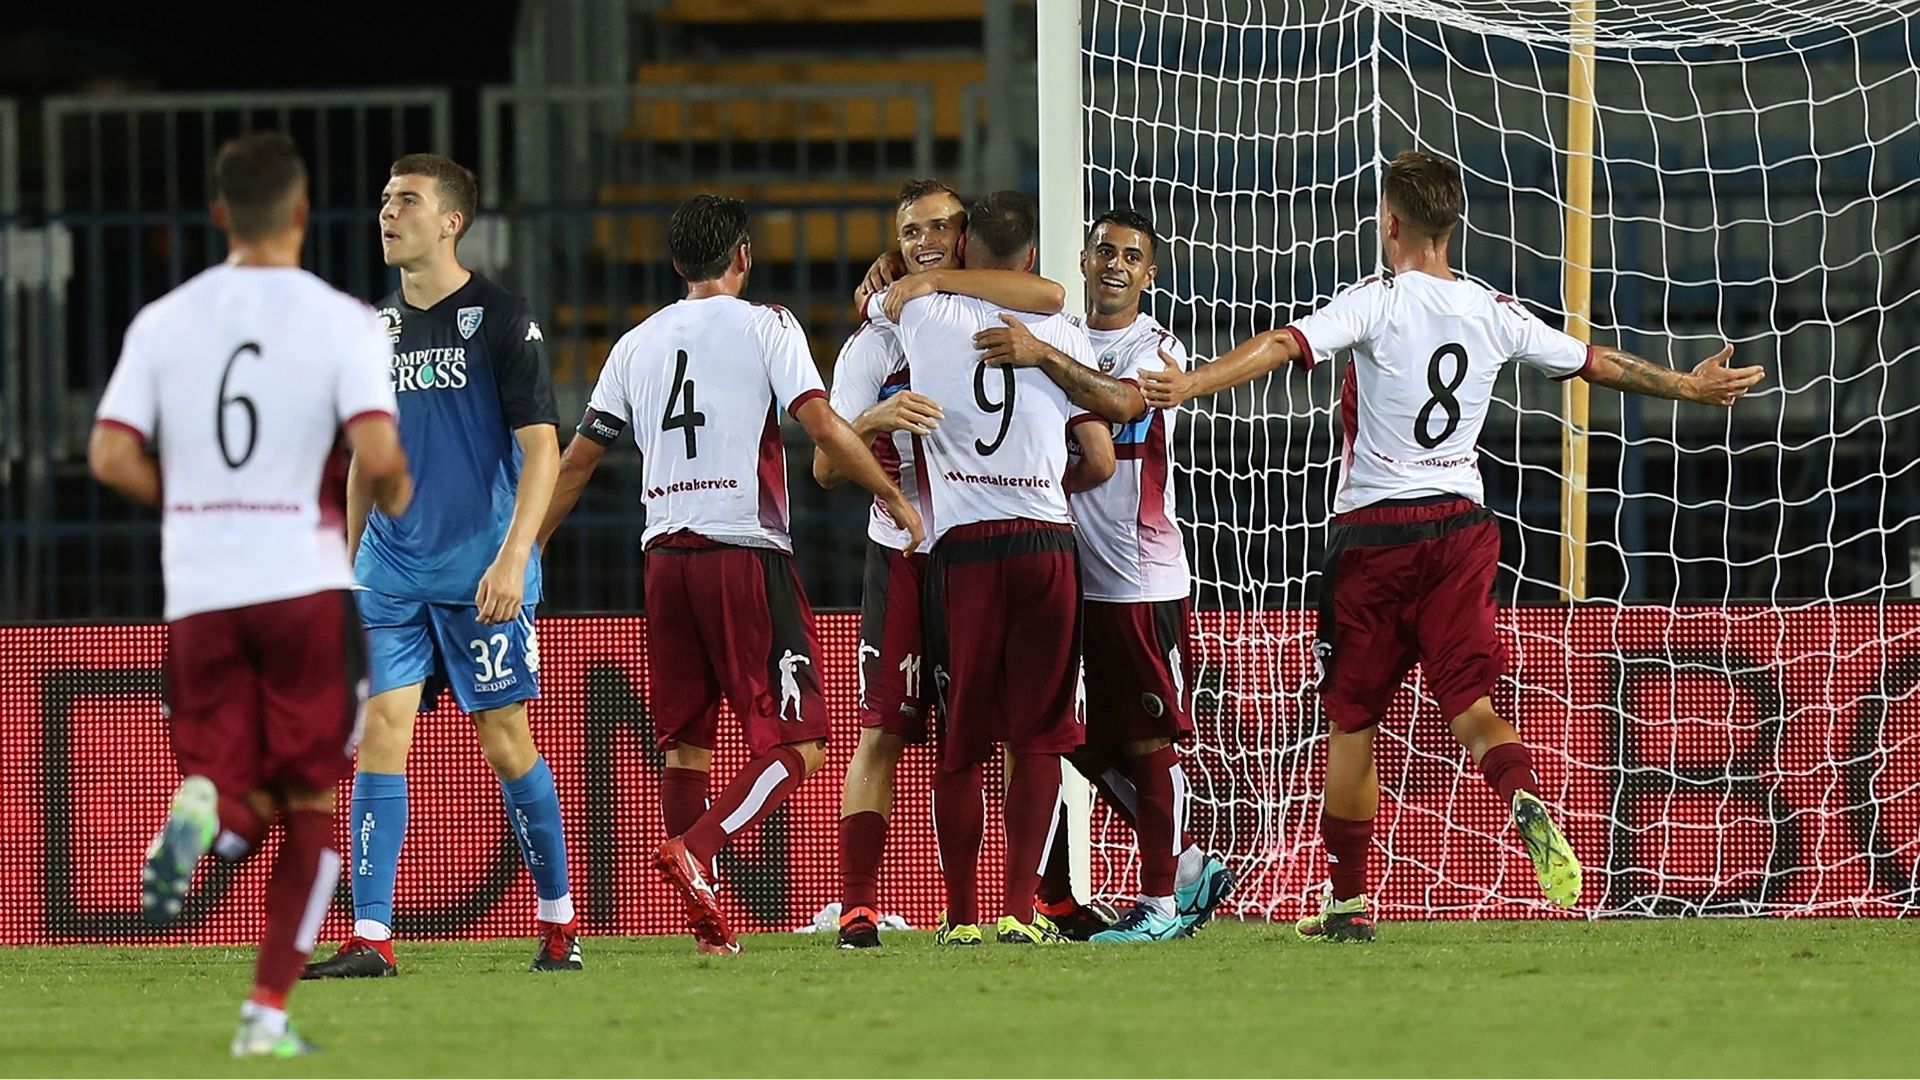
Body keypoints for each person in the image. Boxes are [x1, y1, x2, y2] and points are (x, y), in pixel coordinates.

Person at [1142, 149, 1766, 941]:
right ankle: (1521, 796)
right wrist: (1685, 383)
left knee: (1354, 723)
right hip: (1464, 529)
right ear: (1453, 225)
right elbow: (1592, 361)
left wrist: (1189, 384)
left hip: (1374, 537)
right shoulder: (1492, 308)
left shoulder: (1376, 299)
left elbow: (1282, 345)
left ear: (1391, 224)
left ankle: (1347, 905)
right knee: (1471, 706)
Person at [92, 132, 411, 1056]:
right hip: (302, 582)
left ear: (219, 214)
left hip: (199, 591)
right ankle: (265, 1016)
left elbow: (110, 454)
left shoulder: (164, 320)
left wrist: (188, 499)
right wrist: (395, 492)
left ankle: (200, 821)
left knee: (233, 783)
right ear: (304, 214)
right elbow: (380, 453)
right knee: (309, 802)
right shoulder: (341, 318)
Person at [539, 194, 922, 956]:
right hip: (743, 552)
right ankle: (699, 851)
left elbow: (579, 461)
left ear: (679, 264)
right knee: (803, 742)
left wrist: (528, 547)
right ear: (742, 257)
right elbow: (820, 425)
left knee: (686, 746)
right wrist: (890, 495)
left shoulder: (634, 344)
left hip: (662, 559)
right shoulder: (767, 325)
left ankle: (707, 924)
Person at [304, 154, 578, 978]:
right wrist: (349, 565)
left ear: (451, 220)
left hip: (480, 575)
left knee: (505, 741)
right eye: (385, 199)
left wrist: (514, 555)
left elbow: (543, 450)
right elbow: (364, 456)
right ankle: (372, 937)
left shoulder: (501, 319)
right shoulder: (371, 329)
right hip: (391, 572)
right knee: (381, 733)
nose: (389, 213)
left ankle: (560, 921)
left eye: (408, 201)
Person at [816, 178, 1068, 949]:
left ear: (964, 238)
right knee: (886, 731)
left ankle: (1038, 900)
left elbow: (1047, 293)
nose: (923, 240)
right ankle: (857, 903)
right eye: (908, 231)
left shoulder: (991, 316)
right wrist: (873, 420)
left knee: (1014, 734)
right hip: (904, 558)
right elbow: (825, 470)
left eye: (937, 227)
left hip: (978, 552)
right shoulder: (872, 344)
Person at [973, 209, 1238, 941]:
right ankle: (1183, 866)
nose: (1115, 265)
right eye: (1103, 252)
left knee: (1150, 743)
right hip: (1065, 576)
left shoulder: (1158, 350)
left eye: (1131, 256)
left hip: (1137, 576)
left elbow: (1116, 408)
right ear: (1082, 262)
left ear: (1149, 275)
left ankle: (1158, 904)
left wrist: (1039, 358)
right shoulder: (1060, 339)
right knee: (1070, 739)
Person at [865, 190, 1117, 946]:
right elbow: (1099, 456)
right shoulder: (1061, 326)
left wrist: (911, 277)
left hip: (966, 551)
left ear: (965, 245)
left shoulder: (918, 311)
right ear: (1031, 254)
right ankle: (1019, 913)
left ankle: (963, 915)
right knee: (1039, 736)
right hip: (1045, 542)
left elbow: (879, 299)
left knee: (963, 738)